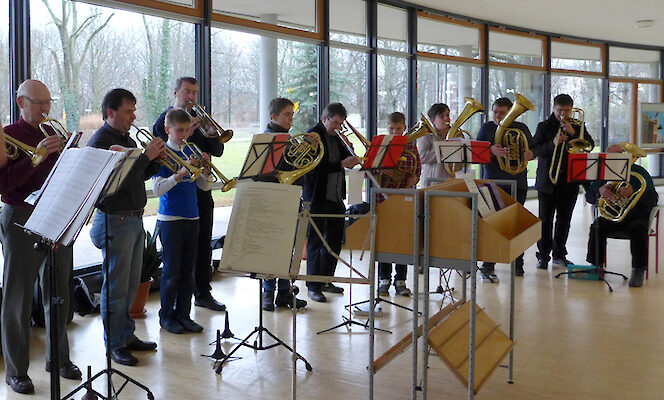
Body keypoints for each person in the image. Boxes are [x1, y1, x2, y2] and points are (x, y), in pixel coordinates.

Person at [0, 79, 81, 394]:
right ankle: (16, 370)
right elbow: (4, 185)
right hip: (20, 215)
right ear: (21, 102)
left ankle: (58, 358)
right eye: (38, 103)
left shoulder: (51, 133)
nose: (46, 108)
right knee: (18, 296)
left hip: (57, 213)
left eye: (48, 102)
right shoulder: (8, 135)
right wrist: (36, 157)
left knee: (58, 290)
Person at [88, 88, 164, 366]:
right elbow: (110, 182)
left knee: (131, 285)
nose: (133, 116)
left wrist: (154, 160)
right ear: (111, 112)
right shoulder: (101, 142)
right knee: (116, 288)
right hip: (114, 219)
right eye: (128, 111)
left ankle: (126, 335)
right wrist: (145, 157)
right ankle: (114, 344)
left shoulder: (125, 138)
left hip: (132, 219)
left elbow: (137, 176)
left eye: (134, 111)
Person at [153, 77, 226, 312]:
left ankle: (202, 293)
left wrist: (212, 134)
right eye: (186, 92)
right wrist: (189, 133)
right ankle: (173, 310)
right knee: (176, 265)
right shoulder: (165, 122)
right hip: (175, 199)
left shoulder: (202, 121)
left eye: (194, 92)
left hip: (199, 193)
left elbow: (218, 151)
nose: (191, 97)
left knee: (203, 245)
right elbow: (161, 147)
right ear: (175, 93)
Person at [153, 109, 214, 333]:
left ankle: (184, 314)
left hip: (193, 217)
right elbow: (158, 189)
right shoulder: (163, 155)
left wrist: (205, 170)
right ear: (168, 130)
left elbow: (204, 187)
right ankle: (167, 316)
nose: (184, 134)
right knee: (171, 272)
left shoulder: (191, 151)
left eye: (187, 129)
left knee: (188, 271)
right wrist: (178, 174)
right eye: (179, 130)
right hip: (170, 219)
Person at [303, 103, 361, 302]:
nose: (337, 127)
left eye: (341, 124)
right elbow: (313, 167)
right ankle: (313, 284)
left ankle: (326, 279)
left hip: (335, 195)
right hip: (317, 196)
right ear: (324, 118)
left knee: (335, 240)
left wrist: (350, 150)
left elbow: (348, 159)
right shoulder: (312, 136)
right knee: (315, 242)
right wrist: (341, 165)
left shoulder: (338, 137)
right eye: (335, 123)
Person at [532, 94, 594, 270]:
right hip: (547, 181)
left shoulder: (578, 126)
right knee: (545, 220)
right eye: (560, 110)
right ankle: (543, 256)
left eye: (567, 110)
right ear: (554, 107)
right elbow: (535, 150)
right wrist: (553, 143)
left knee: (564, 220)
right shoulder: (544, 126)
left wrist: (574, 134)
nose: (563, 114)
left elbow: (589, 145)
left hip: (570, 180)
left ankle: (559, 255)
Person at [476, 97, 534, 281]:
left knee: (516, 225)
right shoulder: (486, 128)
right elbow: (476, 154)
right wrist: (490, 150)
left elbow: (532, 150)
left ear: (510, 112)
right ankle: (488, 265)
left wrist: (529, 154)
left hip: (518, 182)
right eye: (495, 112)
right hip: (492, 183)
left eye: (502, 112)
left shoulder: (521, 129)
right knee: (492, 225)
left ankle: (518, 263)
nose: (497, 116)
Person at [585, 144, 659, 287]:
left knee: (639, 228)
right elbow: (589, 196)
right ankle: (596, 266)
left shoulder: (639, 173)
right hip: (611, 217)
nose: (614, 160)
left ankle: (638, 270)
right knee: (596, 227)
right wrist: (599, 191)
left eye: (618, 156)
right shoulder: (602, 174)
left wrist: (634, 192)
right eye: (610, 157)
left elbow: (652, 197)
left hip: (635, 216)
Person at [260, 97, 307, 311]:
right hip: (273, 201)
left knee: (288, 249)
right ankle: (267, 293)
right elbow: (258, 176)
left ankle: (284, 292)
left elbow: (303, 173)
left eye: (292, 114)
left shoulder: (291, 140)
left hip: (291, 199)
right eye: (287, 114)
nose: (291, 118)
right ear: (274, 116)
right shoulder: (266, 141)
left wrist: (311, 150)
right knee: (272, 249)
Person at [376, 112, 421, 296]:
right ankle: (384, 279)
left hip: (404, 198)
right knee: (384, 240)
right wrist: (380, 169)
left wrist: (414, 178)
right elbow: (367, 170)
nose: (395, 132)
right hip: (382, 199)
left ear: (404, 128)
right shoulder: (380, 145)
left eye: (399, 129)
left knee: (403, 239)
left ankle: (400, 280)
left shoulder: (411, 144)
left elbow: (418, 169)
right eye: (391, 128)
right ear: (387, 127)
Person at [417, 103, 452, 186]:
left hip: (451, 181)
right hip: (432, 182)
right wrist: (443, 151)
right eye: (441, 116)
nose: (446, 118)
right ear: (433, 120)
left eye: (447, 115)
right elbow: (421, 157)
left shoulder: (456, 134)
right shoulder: (426, 135)